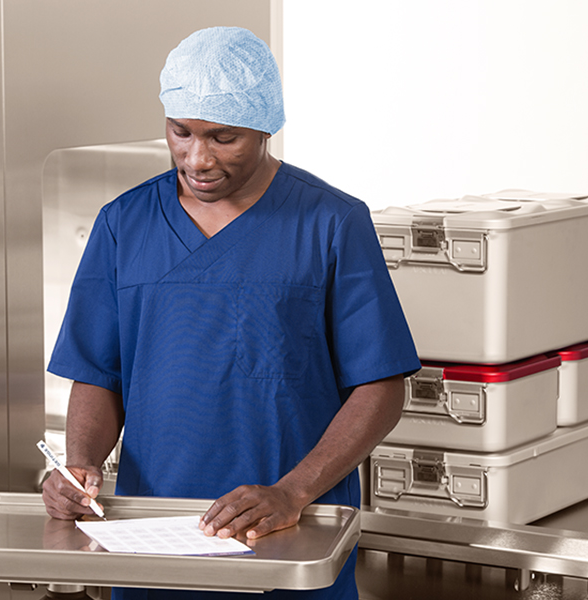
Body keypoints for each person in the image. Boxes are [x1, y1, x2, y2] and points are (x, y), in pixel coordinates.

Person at [42, 26, 420, 599]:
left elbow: (382, 387)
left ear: (265, 127)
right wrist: (79, 468)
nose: (198, 158)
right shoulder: (124, 224)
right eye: (181, 132)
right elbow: (98, 372)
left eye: (224, 138)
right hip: (153, 534)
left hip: (290, 534)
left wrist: (293, 493)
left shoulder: (330, 223)